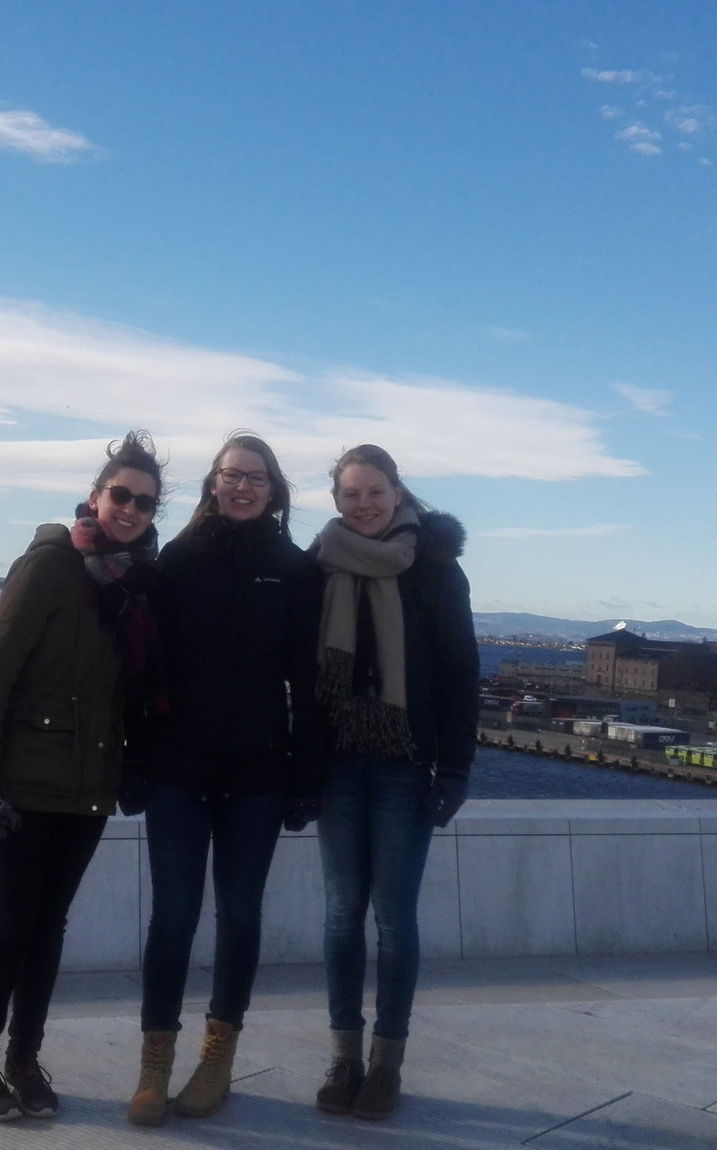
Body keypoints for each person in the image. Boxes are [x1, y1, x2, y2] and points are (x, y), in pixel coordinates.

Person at [0, 431, 165, 1122]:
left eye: (144, 501)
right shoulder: (50, 563)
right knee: (13, 922)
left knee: (49, 927)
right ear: (97, 495)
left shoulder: (136, 581)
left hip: (87, 786)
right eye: (120, 495)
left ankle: (25, 1058)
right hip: (18, 780)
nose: (130, 509)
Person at [126, 434, 325, 1126]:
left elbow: (309, 681)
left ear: (274, 492)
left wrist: (306, 779)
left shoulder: (296, 570)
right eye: (231, 475)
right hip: (177, 769)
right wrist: (135, 760)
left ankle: (217, 1059)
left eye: (257, 478)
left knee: (239, 916)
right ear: (213, 483)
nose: (242, 487)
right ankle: (155, 1065)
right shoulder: (178, 560)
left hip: (259, 773)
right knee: (174, 917)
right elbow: (147, 669)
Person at [308, 444, 478, 1121]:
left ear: (398, 490)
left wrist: (457, 767)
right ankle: (343, 1057)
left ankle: (386, 1065)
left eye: (374, 492)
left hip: (407, 762)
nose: (364, 505)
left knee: (392, 919)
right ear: (337, 502)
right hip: (338, 760)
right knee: (341, 913)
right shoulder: (320, 566)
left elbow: (462, 671)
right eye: (351, 495)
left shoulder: (436, 569)